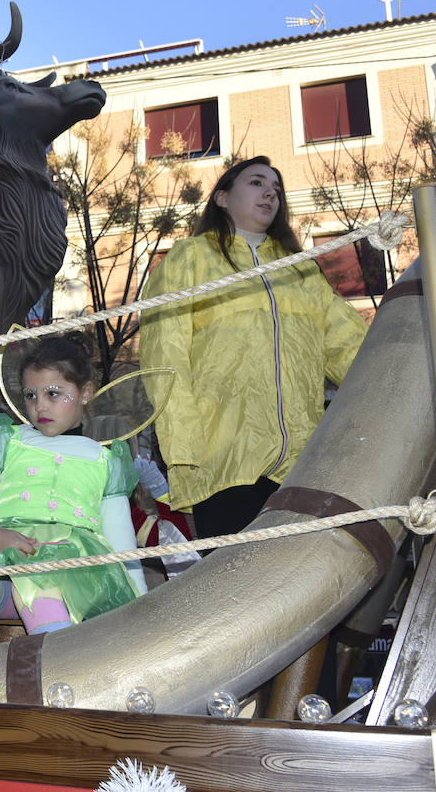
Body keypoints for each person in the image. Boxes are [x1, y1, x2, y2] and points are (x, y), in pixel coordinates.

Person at [141, 156, 368, 538]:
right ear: (222, 198)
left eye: (276, 189)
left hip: (301, 463)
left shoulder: (300, 269)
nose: (270, 193)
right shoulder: (189, 257)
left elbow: (350, 345)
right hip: (224, 459)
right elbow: (165, 356)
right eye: (257, 183)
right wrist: (185, 452)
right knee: (235, 587)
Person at [0, 336, 144, 646]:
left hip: (74, 580)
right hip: (4, 571)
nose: (40, 406)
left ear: (85, 392)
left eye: (53, 394)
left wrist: (139, 610)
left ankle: (62, 680)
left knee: (40, 580)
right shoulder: (6, 441)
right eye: (30, 395)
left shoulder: (105, 461)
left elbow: (122, 546)